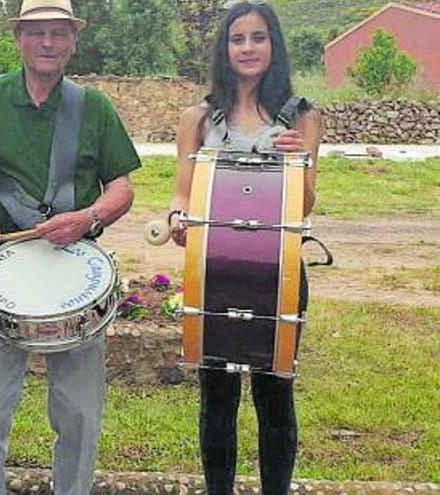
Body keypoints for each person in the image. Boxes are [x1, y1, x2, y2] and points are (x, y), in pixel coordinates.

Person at [0, 1, 141, 493]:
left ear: (73, 40)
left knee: (78, 416)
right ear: (20, 39)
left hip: (76, 275)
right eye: (37, 33)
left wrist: (90, 217)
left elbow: (122, 189)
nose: (48, 43)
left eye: (58, 33)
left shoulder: (93, 107)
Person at [168, 2, 323, 495]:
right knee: (216, 396)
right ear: (225, 48)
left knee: (275, 394)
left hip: (280, 274)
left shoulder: (302, 115)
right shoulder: (198, 116)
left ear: (273, 46)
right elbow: (182, 193)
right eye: (239, 39)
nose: (248, 48)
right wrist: (176, 217)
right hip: (212, 271)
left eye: (259, 38)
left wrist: (299, 163)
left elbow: (308, 203)